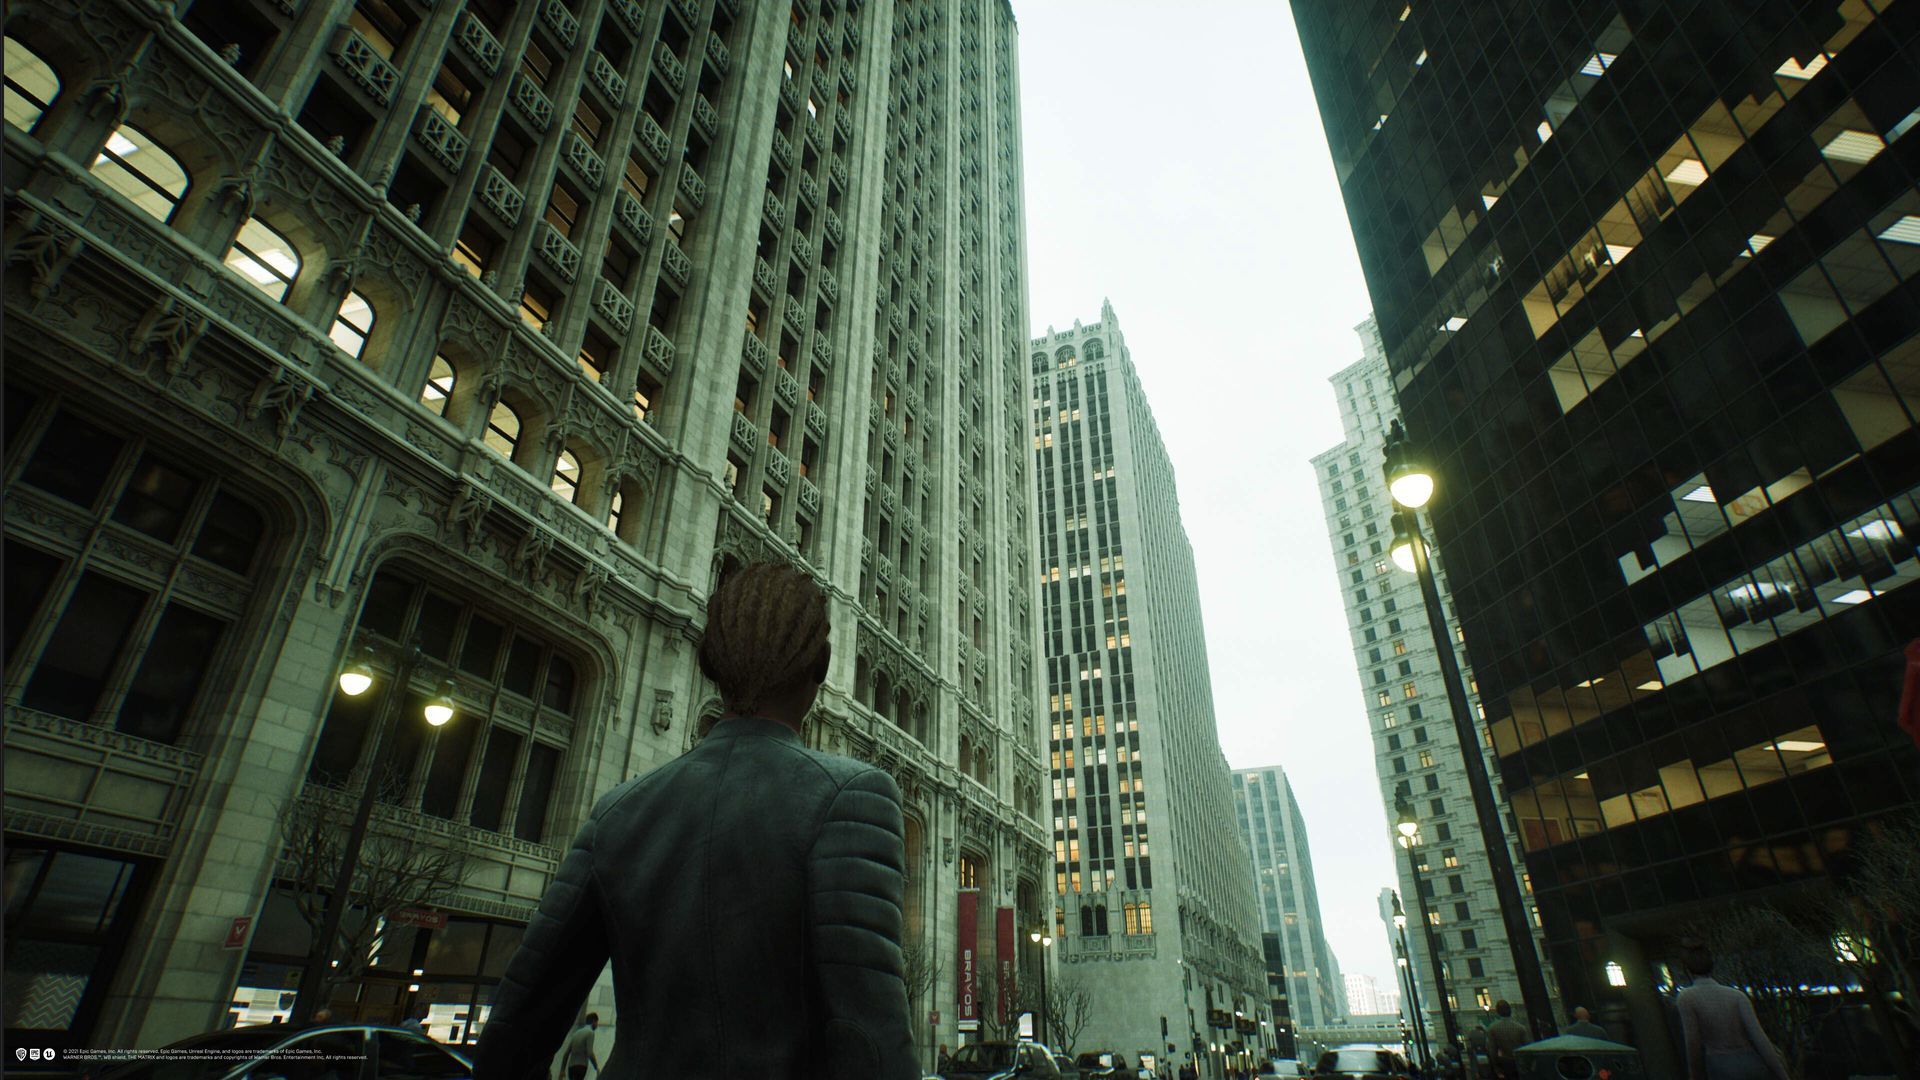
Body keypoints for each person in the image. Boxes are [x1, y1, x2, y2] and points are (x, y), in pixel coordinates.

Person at [473, 564, 917, 1079]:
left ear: (711, 663)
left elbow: (514, 1030)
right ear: (819, 669)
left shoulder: (617, 813)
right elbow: (873, 1039)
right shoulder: (852, 798)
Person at [1675, 944, 1790, 1080]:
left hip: (1720, 1065)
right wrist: (1783, 1075)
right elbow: (1760, 1038)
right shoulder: (1737, 995)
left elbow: (1692, 1042)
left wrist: (1695, 1075)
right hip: (1751, 1062)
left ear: (1687, 970)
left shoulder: (1687, 997)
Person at [1486, 1000, 1529, 1080]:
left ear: (1498, 1012)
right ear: (1510, 1011)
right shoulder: (1520, 1028)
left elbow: (1492, 1051)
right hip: (1520, 1063)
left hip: (1505, 1064)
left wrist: (1497, 1069)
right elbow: (1526, 1047)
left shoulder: (1492, 1028)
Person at [561, 1014, 600, 1080]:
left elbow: (566, 1053)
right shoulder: (590, 1033)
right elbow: (590, 1053)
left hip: (571, 1067)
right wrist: (596, 1067)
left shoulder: (576, 1033)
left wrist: (562, 1070)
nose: (597, 1025)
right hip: (581, 1066)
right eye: (597, 1022)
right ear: (593, 1021)